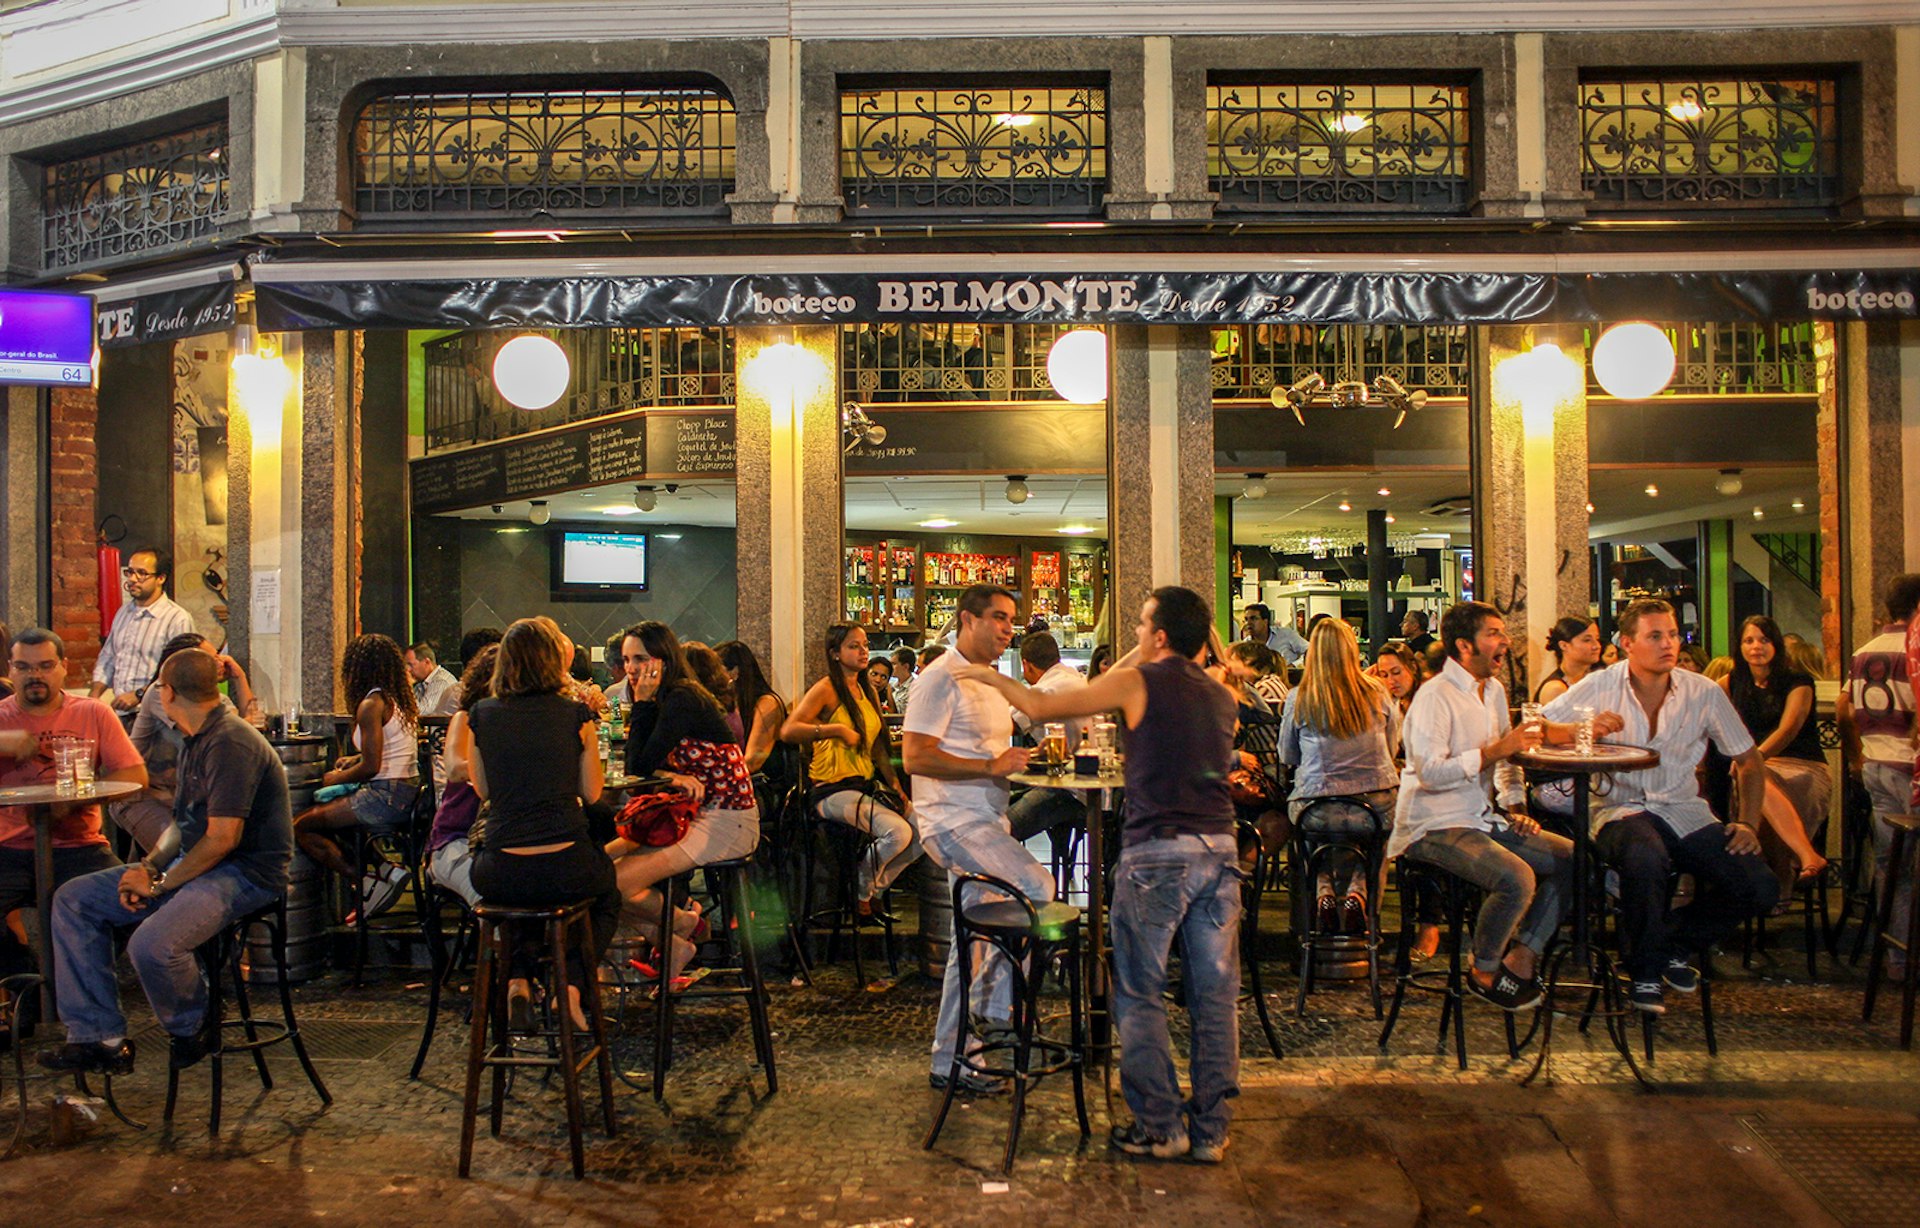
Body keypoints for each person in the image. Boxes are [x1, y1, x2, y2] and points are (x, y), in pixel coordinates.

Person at [962, 586, 1242, 1163]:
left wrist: (989, 677)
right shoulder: (1220, 695)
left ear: (1160, 635)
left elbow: (1041, 710)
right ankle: (1211, 1131)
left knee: (1140, 991)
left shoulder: (1140, 683)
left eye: (1142, 625)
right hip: (1220, 851)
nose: (1135, 634)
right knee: (1214, 999)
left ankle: (1161, 1126)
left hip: (1157, 853)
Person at [39, 647, 292, 1075]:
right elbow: (183, 823)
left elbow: (223, 838)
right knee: (73, 899)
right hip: (200, 866)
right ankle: (99, 1036)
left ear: (168, 693)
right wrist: (151, 866)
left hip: (246, 874)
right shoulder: (194, 738)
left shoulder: (230, 741)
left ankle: (196, 1020)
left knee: (151, 945)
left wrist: (160, 887)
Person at [1541, 598, 1779, 1014]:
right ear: (1628, 643)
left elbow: (1749, 761)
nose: (1668, 644)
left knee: (1758, 884)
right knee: (1646, 858)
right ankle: (1646, 974)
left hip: (1684, 809)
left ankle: (1672, 945)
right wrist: (1582, 728)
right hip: (1618, 808)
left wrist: (1747, 822)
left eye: (1672, 634)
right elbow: (1535, 727)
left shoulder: (1702, 690)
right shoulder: (1600, 685)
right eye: (1655, 636)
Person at [900, 585, 1047, 1097]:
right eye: (1000, 618)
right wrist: (989, 766)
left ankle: (953, 1060)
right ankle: (993, 1015)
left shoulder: (992, 680)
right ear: (967, 620)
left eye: (1012, 619)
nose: (1010, 628)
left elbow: (1009, 737)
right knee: (1036, 885)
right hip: (952, 822)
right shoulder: (939, 677)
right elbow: (915, 757)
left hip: (986, 820)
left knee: (976, 940)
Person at [1389, 602, 1570, 1011]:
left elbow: (1508, 762)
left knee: (1575, 860)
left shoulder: (1495, 691)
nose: (1504, 642)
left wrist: (1515, 805)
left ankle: (1521, 958)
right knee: (1517, 878)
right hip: (1432, 824)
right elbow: (1430, 772)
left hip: (1482, 818)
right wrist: (1494, 751)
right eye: (1493, 634)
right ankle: (1483, 969)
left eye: (1503, 633)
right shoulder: (1435, 695)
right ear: (1463, 646)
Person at [469, 617, 618, 1032]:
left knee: (519, 907)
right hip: (566, 861)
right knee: (606, 897)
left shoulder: (480, 714)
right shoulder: (575, 715)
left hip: (499, 867)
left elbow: (482, 790)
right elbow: (591, 793)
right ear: (554, 662)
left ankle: (518, 979)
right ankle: (567, 989)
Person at [613, 621, 760, 981]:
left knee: (611, 884)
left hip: (728, 820)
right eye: (626, 660)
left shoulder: (682, 697)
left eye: (641, 658)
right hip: (701, 815)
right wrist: (674, 776)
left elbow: (636, 771)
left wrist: (644, 704)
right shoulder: (669, 696)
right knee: (601, 881)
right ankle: (679, 933)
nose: (631, 669)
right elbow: (645, 775)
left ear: (663, 659)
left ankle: (682, 924)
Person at [0, 629, 146, 989]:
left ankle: (76, 986)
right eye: (24, 667)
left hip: (79, 848)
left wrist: (77, 801)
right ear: (11, 670)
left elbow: (135, 775)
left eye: (46, 666)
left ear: (64, 667)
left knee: (134, 904)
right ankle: (29, 986)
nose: (35, 675)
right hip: (9, 848)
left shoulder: (92, 713)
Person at [783, 623, 920, 915]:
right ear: (835, 653)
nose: (863, 651)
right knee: (897, 833)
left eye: (865, 645)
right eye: (854, 646)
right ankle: (860, 888)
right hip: (829, 789)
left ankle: (874, 889)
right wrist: (833, 730)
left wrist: (896, 786)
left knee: (925, 832)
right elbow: (789, 730)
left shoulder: (867, 689)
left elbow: (880, 747)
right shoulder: (826, 689)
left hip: (863, 786)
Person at [1281, 618, 1403, 936]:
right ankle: (1357, 893)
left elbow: (1287, 755)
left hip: (1315, 809)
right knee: (1377, 844)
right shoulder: (1377, 692)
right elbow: (1391, 749)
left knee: (1314, 843)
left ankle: (1323, 895)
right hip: (1373, 809)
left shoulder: (1298, 697)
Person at [291, 634, 420, 921]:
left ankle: (365, 881)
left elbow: (372, 767)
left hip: (384, 796)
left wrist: (333, 779)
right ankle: (387, 870)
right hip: (405, 792)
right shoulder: (397, 700)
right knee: (335, 819)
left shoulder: (371, 704)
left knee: (301, 826)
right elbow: (386, 752)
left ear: (357, 668)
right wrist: (353, 760)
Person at [1839, 574, 1920, 973]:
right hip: (1911, 767)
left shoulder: (1863, 652)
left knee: (1891, 865)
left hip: (1875, 765)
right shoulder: (1915, 650)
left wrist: (1857, 758)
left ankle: (1897, 958)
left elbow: (1843, 709)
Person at [114, 631, 256, 856]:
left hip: (179, 798)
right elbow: (224, 734)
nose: (219, 662)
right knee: (183, 855)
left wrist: (239, 678)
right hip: (142, 796)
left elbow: (243, 730)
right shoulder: (163, 693)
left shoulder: (212, 699)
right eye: (210, 659)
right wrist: (247, 722)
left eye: (217, 656)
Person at [1720, 615, 1830, 886]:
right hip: (1757, 767)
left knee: (1756, 781)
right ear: (1740, 647)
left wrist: (1753, 760)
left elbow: (1789, 729)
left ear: (1776, 645)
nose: (1756, 646)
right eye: (1749, 640)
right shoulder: (1730, 683)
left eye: (1764, 640)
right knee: (1758, 783)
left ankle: (1778, 878)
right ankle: (1793, 868)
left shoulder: (1798, 681)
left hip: (1803, 765)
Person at [425, 644, 498, 910]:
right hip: (456, 842)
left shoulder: (517, 725)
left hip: (498, 841)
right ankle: (500, 949)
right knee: (491, 899)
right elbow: (455, 768)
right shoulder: (464, 719)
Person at [1005, 631, 1089, 846]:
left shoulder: (1046, 688)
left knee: (1003, 828)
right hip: (1082, 782)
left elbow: (1007, 726)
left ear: (1026, 664)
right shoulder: (1071, 676)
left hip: (1073, 791)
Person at [90, 547, 196, 712]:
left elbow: (180, 672)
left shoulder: (177, 618)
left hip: (158, 714)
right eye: (130, 572)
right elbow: (108, 656)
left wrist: (139, 694)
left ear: (160, 578)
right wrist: (94, 695)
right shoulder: (123, 612)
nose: (133, 579)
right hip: (122, 711)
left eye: (142, 573)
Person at [715, 640, 790, 776]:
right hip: (737, 777)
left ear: (735, 672)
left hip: (762, 785)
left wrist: (720, 777)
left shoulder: (767, 703)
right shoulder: (728, 702)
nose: (713, 678)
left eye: (717, 671)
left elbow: (753, 761)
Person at [1535, 616, 1603, 704]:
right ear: (1564, 645)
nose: (1597, 646)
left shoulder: (1595, 678)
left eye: (1597, 639)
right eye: (1587, 640)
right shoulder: (1555, 689)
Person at [404, 641, 460, 717]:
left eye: (410, 665)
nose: (408, 669)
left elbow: (421, 713)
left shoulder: (441, 681)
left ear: (427, 662)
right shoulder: (421, 684)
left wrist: (407, 686)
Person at [1241, 602, 1306, 666]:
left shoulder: (1286, 634)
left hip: (1289, 674)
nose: (1248, 623)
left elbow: (1310, 650)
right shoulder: (1245, 645)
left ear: (1265, 621)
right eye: (1246, 619)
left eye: (1253, 619)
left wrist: (1294, 665)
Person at [1370, 643, 1422, 715]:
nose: (1390, 681)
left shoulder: (1428, 699)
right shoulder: (1390, 703)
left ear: (1413, 667)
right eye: (1384, 675)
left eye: (1396, 672)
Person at [889, 646, 918, 713]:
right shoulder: (892, 686)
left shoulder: (914, 688)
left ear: (906, 666)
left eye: (894, 664)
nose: (890, 667)